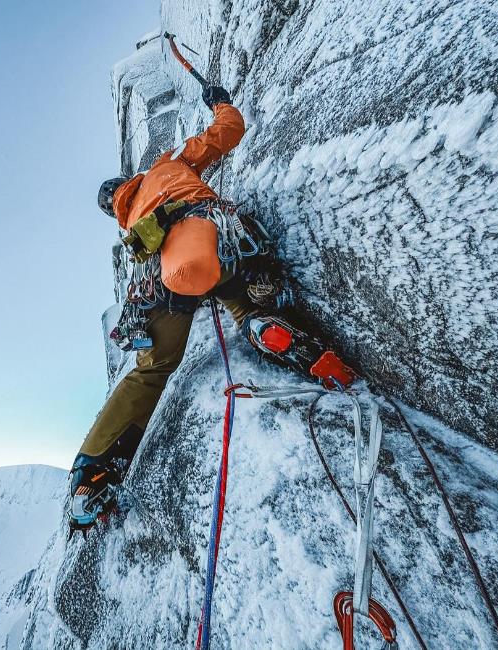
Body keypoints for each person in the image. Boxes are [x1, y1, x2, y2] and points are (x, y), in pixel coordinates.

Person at [68, 85, 354, 535]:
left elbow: (150, 285)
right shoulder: (169, 163)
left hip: (168, 279)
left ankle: (91, 475)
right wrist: (219, 101)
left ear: (114, 207)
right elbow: (229, 130)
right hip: (219, 236)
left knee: (153, 367)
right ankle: (266, 329)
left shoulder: (134, 231)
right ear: (128, 180)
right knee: (243, 304)